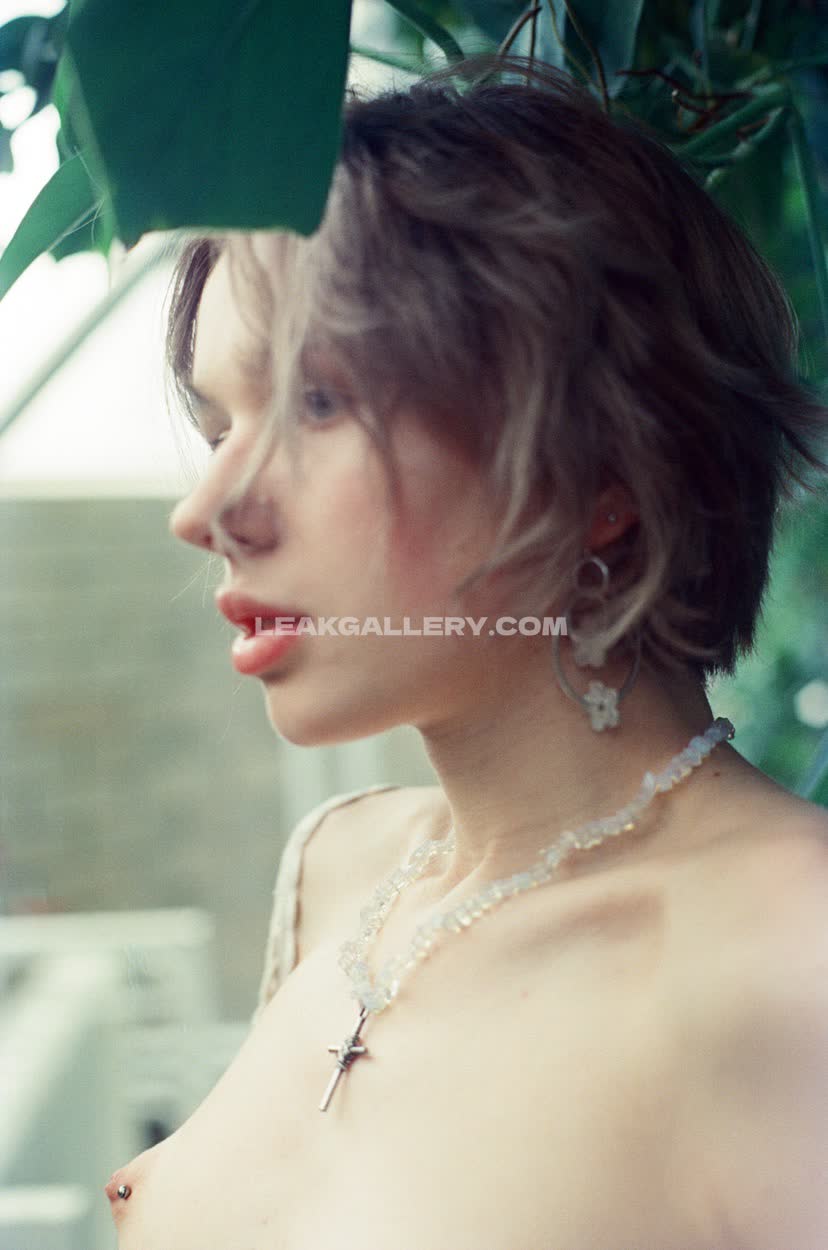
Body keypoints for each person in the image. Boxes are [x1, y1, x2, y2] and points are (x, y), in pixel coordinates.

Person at [105, 53, 828, 1250]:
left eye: (318, 402)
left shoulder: (787, 952)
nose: (207, 509)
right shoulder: (339, 868)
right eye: (221, 421)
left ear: (602, 473)